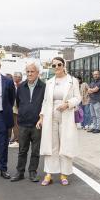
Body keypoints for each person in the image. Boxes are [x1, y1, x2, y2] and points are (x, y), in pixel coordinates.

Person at [36, 57, 81, 186]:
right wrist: (41, 117)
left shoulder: (72, 81)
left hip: (66, 115)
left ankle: (64, 174)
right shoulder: (49, 82)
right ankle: (49, 173)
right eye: (54, 65)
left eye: (59, 64)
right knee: (51, 145)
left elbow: (78, 98)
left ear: (64, 65)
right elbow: (45, 101)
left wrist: (67, 104)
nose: (56, 67)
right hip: (51, 116)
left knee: (65, 144)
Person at [11, 63, 45, 182]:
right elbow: (18, 103)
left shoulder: (43, 87)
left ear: (37, 73)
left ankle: (32, 172)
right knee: (22, 150)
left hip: (37, 124)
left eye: (32, 71)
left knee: (35, 150)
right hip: (23, 123)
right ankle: (20, 172)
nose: (30, 74)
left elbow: (45, 105)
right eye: (28, 72)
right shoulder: (21, 87)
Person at [9, 71, 23, 148]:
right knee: (14, 124)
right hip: (13, 106)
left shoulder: (21, 85)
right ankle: (15, 138)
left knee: (16, 124)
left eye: (16, 76)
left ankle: (18, 140)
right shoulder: (13, 85)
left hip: (18, 107)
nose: (15, 78)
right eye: (15, 76)